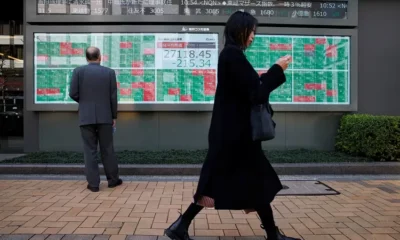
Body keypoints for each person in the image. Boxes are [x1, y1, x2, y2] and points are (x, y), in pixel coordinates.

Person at [164, 11, 299, 240]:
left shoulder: (231, 55)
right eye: (252, 31)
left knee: (249, 183)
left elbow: (250, 89)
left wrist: (270, 73)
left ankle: (180, 227)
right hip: (236, 138)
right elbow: (256, 93)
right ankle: (180, 226)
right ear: (240, 30)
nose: (253, 37)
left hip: (233, 136)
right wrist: (277, 70)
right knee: (250, 182)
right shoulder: (233, 56)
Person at [69, 46, 122, 192]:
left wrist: (84, 102)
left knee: (89, 150)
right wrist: (113, 116)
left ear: (87, 58)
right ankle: (112, 180)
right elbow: (113, 97)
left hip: (86, 117)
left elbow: (73, 93)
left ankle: (93, 184)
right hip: (105, 117)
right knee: (107, 149)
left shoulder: (78, 71)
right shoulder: (109, 72)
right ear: (100, 57)